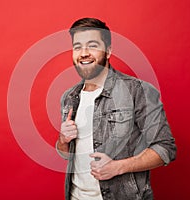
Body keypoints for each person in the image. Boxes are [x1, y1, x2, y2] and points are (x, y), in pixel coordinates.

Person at [56, 17, 176, 200]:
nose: (84, 53)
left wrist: (118, 167)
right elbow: (66, 155)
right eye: (77, 46)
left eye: (93, 45)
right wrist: (63, 140)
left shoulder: (138, 91)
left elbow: (166, 148)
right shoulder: (69, 97)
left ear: (108, 51)